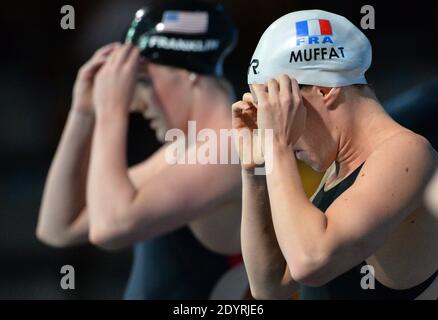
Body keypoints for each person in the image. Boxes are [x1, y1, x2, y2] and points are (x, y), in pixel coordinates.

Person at [37, 0, 246, 299]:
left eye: (145, 81)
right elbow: (59, 227)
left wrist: (111, 111)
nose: (136, 101)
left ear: (189, 72)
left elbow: (110, 228)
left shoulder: (233, 146)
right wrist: (83, 113)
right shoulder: (186, 151)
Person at [234, 10, 438, 299]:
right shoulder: (340, 169)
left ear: (325, 89)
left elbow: (310, 262)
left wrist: (277, 144)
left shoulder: (407, 154)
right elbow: (269, 287)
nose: (275, 124)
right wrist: (255, 169)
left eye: (276, 109)